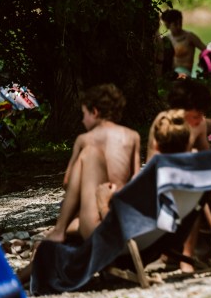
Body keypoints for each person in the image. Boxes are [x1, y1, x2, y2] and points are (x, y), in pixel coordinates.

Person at [44, 84, 140, 242]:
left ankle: (60, 230)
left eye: (84, 114)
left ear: (94, 112)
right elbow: (135, 179)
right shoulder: (132, 136)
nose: (82, 120)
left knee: (74, 207)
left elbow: (67, 182)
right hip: (119, 210)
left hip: (95, 215)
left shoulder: (85, 140)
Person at [147, 78, 211, 160]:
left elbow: (206, 155)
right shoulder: (164, 122)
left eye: (202, 114)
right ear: (178, 112)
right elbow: (153, 159)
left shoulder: (200, 124)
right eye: (195, 116)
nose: (201, 120)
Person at [160, 9, 207, 78]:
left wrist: (203, 63)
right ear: (168, 25)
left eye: (180, 23)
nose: (179, 26)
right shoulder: (166, 39)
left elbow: (206, 50)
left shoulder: (189, 36)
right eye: (175, 24)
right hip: (170, 72)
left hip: (185, 73)